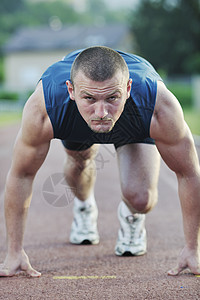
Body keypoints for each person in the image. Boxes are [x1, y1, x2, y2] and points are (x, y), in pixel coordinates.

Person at [0, 46, 199, 278]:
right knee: (79, 166)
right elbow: (21, 174)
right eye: (90, 98)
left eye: (112, 97)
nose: (102, 112)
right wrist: (14, 251)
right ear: (71, 90)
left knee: (141, 198)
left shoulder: (158, 107)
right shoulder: (45, 108)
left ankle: (131, 214)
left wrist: (193, 248)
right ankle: (84, 207)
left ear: (127, 88)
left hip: (133, 119)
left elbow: (189, 173)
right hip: (75, 119)